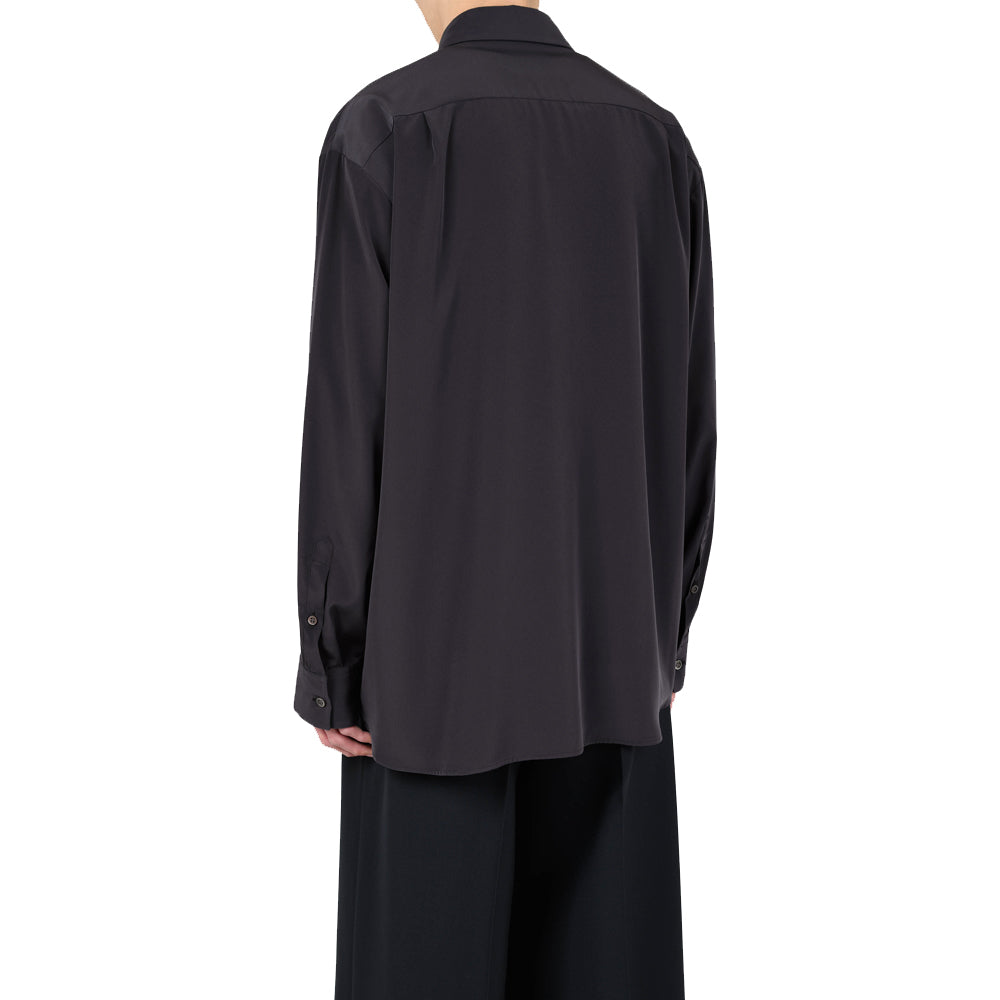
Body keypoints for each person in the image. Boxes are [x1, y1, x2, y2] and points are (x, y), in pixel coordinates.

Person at [291, 2, 716, 996]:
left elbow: (349, 417)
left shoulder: (386, 129)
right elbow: (691, 420)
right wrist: (663, 639)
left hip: (430, 688)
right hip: (614, 673)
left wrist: (331, 658)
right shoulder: (654, 139)